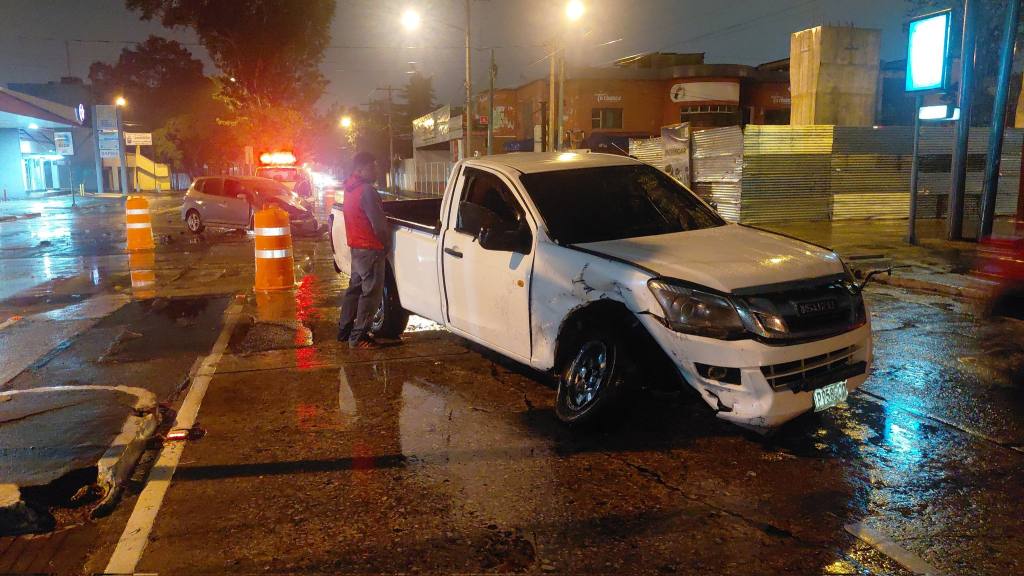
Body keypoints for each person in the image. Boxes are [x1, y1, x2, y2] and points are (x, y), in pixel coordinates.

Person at [337, 152, 392, 349]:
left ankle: (344, 331)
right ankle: (359, 337)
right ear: (360, 169)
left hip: (357, 248)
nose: (376, 170)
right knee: (370, 295)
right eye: (372, 167)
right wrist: (385, 244)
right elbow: (378, 225)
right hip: (370, 248)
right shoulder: (367, 191)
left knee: (354, 290)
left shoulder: (350, 188)